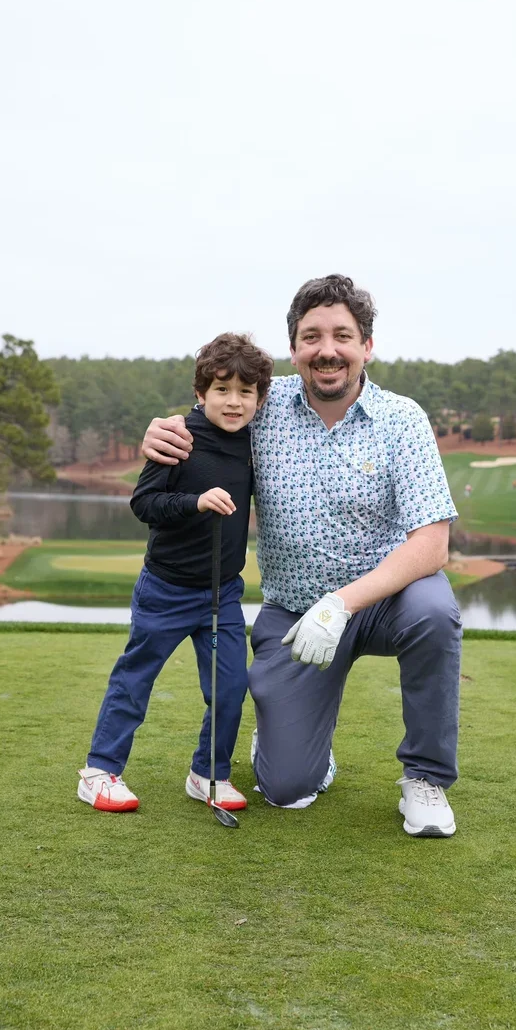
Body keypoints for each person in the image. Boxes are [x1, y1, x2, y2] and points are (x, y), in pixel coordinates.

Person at [141, 275, 462, 837]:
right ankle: (301, 748)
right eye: (312, 337)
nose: (327, 350)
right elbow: (207, 414)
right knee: (286, 789)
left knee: (435, 612)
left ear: (367, 346)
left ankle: (425, 778)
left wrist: (341, 604)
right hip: (295, 612)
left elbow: (432, 544)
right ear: (293, 349)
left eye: (343, 336)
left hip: (388, 601)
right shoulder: (263, 406)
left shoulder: (403, 419)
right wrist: (160, 433)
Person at [77, 333, 273, 814]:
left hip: (222, 594)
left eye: (245, 392)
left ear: (259, 398)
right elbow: (144, 503)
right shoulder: (179, 437)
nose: (234, 402)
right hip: (165, 590)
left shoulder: (255, 441)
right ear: (201, 392)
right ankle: (99, 772)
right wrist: (195, 502)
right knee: (135, 679)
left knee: (230, 687)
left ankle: (208, 774)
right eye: (222, 389)